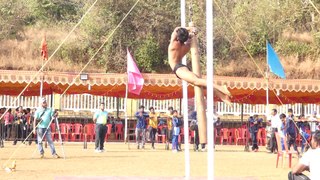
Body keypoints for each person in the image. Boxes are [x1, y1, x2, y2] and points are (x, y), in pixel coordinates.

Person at [168, 26, 231, 104]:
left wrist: (188, 28)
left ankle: (220, 87)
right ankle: (222, 96)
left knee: (197, 81)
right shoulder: (187, 46)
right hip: (180, 67)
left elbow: (176, 29)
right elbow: (185, 34)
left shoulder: (173, 44)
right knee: (201, 84)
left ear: (177, 37)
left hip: (177, 68)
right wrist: (192, 31)